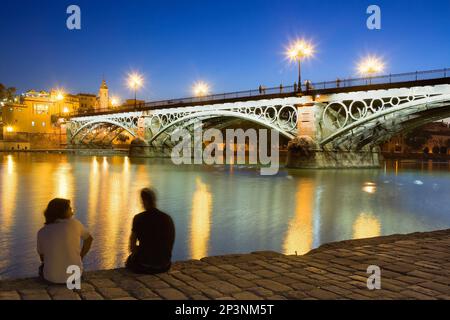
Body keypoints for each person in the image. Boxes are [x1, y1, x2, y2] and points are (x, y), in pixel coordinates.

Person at [37, 198, 93, 284]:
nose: (72, 210)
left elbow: (42, 258)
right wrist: (80, 256)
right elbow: (89, 239)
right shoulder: (75, 224)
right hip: (75, 276)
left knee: (42, 267)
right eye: (69, 208)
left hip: (51, 278)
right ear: (63, 211)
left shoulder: (42, 232)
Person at [126, 188, 175, 274]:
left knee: (129, 260)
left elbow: (132, 245)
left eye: (141, 201)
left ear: (145, 201)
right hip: (164, 265)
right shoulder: (167, 218)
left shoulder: (138, 218)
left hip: (145, 265)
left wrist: (137, 251)